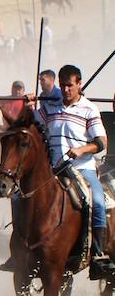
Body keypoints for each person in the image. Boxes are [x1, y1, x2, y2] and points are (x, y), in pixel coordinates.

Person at [35, 64, 110, 277]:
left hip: (81, 168)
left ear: (79, 84)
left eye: (70, 85)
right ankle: (21, 251)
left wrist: (82, 149)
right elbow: (31, 123)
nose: (66, 90)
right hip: (52, 170)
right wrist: (29, 104)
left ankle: (98, 255)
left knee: (96, 201)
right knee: (20, 196)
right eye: (62, 85)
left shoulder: (89, 109)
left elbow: (101, 142)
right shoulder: (50, 106)